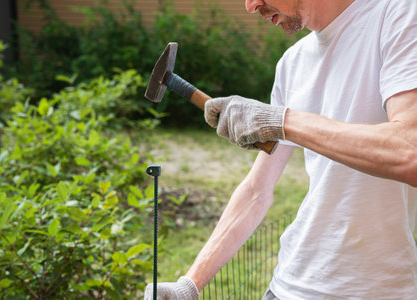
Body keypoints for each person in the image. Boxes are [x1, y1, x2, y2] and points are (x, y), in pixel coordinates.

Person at [145, 0, 417, 298]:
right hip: (287, 286)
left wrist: (281, 121)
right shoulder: (293, 63)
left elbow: (409, 150)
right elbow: (256, 190)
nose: (251, 6)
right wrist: (190, 285)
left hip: (377, 291)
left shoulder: (398, 15)